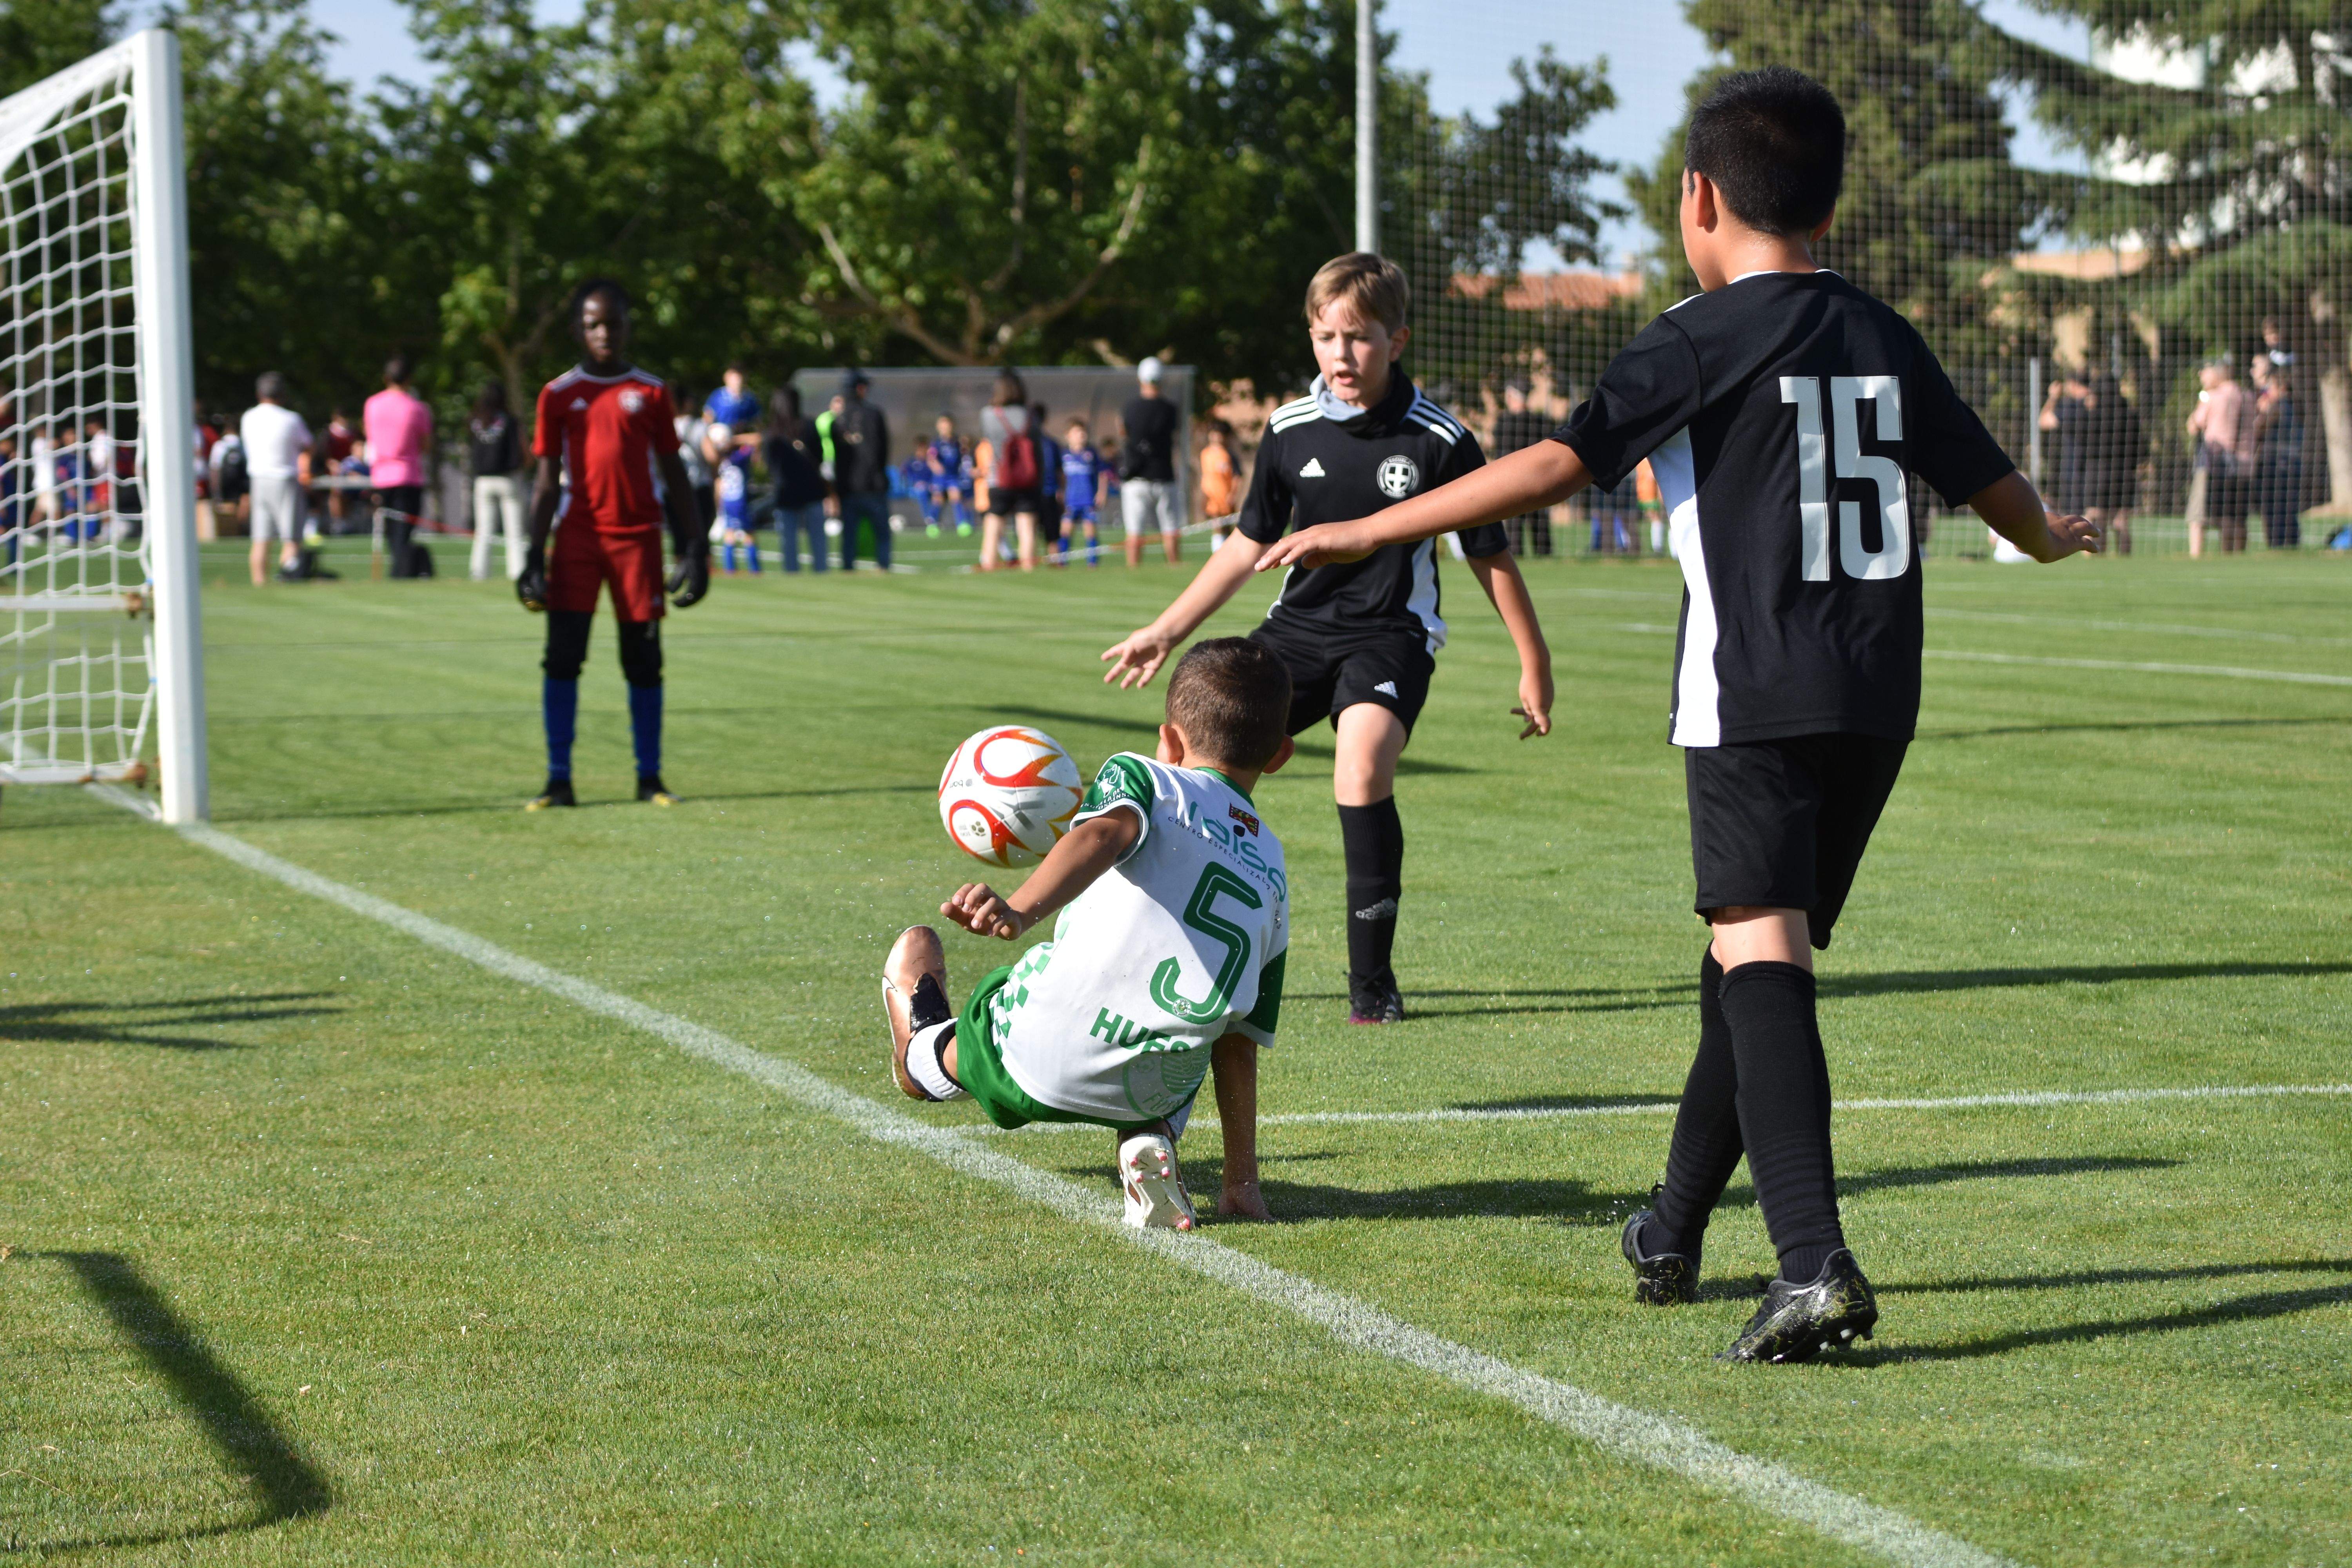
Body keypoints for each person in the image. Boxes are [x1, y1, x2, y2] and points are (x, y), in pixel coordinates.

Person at [1253, 67, 2102, 1362]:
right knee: (1748, 964)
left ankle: (1813, 1260)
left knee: (1762, 959)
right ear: (1830, 205)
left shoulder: (1701, 332)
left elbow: (1550, 465)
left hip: (1755, 683)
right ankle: (1673, 1223)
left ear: (1698, 198)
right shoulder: (1882, 330)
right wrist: (2052, 539)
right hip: (1877, 693)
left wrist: (1368, 523)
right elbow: (1996, 488)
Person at [1104, 251, 1555, 1026]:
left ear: (1398, 339)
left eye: (1360, 336)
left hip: (1391, 635)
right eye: (1326, 336)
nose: (1342, 353)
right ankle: (1139, 951)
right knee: (1187, 763)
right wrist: (1166, 628)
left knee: (1362, 764)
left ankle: (1371, 986)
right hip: (1296, 632)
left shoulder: (1441, 442)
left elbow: (1489, 555)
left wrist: (1534, 660)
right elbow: (1246, 544)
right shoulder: (1287, 429)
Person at [884, 637, 1294, 1228]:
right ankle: (1148, 1136)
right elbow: (1239, 1042)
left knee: (972, 1028)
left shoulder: (1149, 779)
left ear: (1170, 740)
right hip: (1156, 1086)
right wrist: (1242, 1182)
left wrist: (1021, 910)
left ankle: (920, 1041)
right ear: (1280, 755)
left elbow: (1103, 836)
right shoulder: (1275, 865)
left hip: (1043, 1053)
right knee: (1199, 1033)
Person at [516, 279, 709, 810]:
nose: (604, 333)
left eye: (613, 323)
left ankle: (650, 779)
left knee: (643, 661)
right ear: (579, 330)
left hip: (638, 543)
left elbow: (674, 472)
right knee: (562, 658)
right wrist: (533, 556)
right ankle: (559, 779)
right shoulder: (558, 394)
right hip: (577, 540)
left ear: (627, 326)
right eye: (592, 324)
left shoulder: (649, 392)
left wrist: (695, 548)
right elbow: (544, 482)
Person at [365, 356, 435, 577]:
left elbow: (371, 436)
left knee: (391, 531)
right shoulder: (417, 408)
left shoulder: (372, 404)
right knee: (403, 533)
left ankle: (400, 570)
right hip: (408, 476)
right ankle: (401, 573)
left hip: (381, 477)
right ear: (409, 380)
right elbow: (425, 444)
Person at [241, 373, 313, 586]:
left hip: (258, 479)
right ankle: (288, 577)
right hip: (284, 479)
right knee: (292, 539)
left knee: (261, 539)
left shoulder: (248, 417)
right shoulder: (291, 419)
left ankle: (259, 583)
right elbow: (308, 445)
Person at [1119, 356, 1184, 566]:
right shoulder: (1170, 409)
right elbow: (1174, 435)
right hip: (1164, 474)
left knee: (1135, 531)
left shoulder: (1129, 408)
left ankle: (1133, 570)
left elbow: (1124, 433)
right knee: (1170, 528)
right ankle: (1174, 566)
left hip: (1135, 476)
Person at [976, 372, 1043, 572]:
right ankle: (1028, 568)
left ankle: (988, 565)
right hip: (1027, 478)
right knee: (1027, 527)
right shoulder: (1031, 415)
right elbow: (1037, 448)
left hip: (999, 477)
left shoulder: (989, 414)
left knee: (993, 527)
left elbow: (988, 440)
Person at [2186, 357, 2252, 556]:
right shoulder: (2246, 395)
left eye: (2205, 370)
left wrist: (2202, 398)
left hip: (2214, 462)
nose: (2201, 375)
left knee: (2198, 515)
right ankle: (2235, 556)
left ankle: (2196, 556)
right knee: (2236, 517)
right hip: (2244, 463)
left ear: (2218, 373)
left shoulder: (2212, 396)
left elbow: (2193, 426)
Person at [763, 386, 829, 573]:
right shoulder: (808, 426)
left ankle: (792, 573)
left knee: (789, 541)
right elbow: (820, 456)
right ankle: (821, 572)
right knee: (818, 540)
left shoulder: (772, 434)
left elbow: (771, 465)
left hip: (786, 492)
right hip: (812, 489)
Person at [832, 370, 892, 571]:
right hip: (873, 486)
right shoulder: (874, 415)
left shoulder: (838, 421)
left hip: (849, 488)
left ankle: (848, 569)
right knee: (882, 533)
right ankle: (883, 567)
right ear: (860, 389)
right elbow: (883, 450)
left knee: (849, 535)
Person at [468, 381, 528, 581]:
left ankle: (479, 572)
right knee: (515, 531)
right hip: (508, 479)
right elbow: (524, 450)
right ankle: (517, 571)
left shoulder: (475, 421)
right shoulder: (510, 421)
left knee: (484, 531)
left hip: (483, 481)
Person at [2080, 373, 2142, 555]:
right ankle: (2124, 559)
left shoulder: (2092, 416)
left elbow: (2084, 444)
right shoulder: (2130, 416)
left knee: (2095, 518)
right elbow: (2141, 447)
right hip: (2123, 472)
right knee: (2121, 520)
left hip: (2097, 470)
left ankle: (2094, 556)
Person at [1492, 381, 1553, 557]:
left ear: (1512, 397)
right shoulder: (1541, 421)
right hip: (1538, 477)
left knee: (1515, 519)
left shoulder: (1503, 422)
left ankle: (1517, 552)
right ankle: (1544, 553)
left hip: (1513, 478)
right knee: (1539, 519)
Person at [2250, 352, 2303, 550]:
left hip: (2276, 463)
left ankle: (2278, 543)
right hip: (2290, 462)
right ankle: (2290, 542)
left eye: (2270, 387)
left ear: (2280, 387)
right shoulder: (2294, 405)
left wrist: (2262, 412)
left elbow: (2258, 430)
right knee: (2287, 506)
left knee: (2275, 507)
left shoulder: (2279, 407)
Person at [2038, 372, 2091, 517]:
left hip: (2074, 470)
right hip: (2102, 471)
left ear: (2074, 384)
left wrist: (2053, 398)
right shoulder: (2103, 405)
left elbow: (2043, 421)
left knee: (2077, 518)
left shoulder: (2072, 408)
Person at [710, 422, 760, 574]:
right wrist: (734, 439)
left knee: (730, 533)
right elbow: (757, 439)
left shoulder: (722, 461)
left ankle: (730, 569)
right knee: (748, 533)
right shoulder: (739, 457)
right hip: (740, 500)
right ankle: (754, 569)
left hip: (728, 501)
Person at [1061, 416, 1106, 566]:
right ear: (1068, 435)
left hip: (1088, 500)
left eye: (1083, 433)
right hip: (1071, 500)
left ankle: (1092, 563)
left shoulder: (1091, 454)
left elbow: (1102, 473)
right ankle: (1063, 561)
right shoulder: (1064, 455)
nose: (1081, 436)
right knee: (1066, 531)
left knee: (1090, 531)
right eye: (1077, 433)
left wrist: (1101, 493)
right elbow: (1060, 476)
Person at [924, 414, 972, 537]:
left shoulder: (957, 441)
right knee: (938, 499)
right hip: (940, 477)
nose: (945, 427)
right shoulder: (937, 443)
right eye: (942, 425)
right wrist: (936, 466)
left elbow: (964, 456)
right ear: (938, 427)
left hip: (953, 476)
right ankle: (933, 524)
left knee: (956, 496)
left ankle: (962, 524)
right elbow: (931, 458)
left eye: (948, 425)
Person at [1033, 401, 1067, 565]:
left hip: (1040, 495)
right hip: (1042, 494)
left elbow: (1059, 472)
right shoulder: (1049, 443)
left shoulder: (1048, 444)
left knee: (1042, 535)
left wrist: (1061, 491)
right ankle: (1054, 565)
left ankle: (1051, 565)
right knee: (1049, 536)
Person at [1198, 419, 1240, 548]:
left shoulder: (1229, 454)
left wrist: (1233, 494)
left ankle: (1229, 550)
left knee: (1228, 527)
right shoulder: (1205, 454)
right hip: (1211, 495)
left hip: (1225, 495)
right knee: (1217, 526)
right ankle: (1218, 552)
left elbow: (1238, 477)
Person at [703, 365, 760, 447]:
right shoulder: (718, 396)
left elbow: (757, 423)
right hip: (720, 440)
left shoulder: (749, 399)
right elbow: (707, 419)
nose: (738, 381)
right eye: (735, 378)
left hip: (741, 442)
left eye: (740, 377)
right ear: (727, 378)